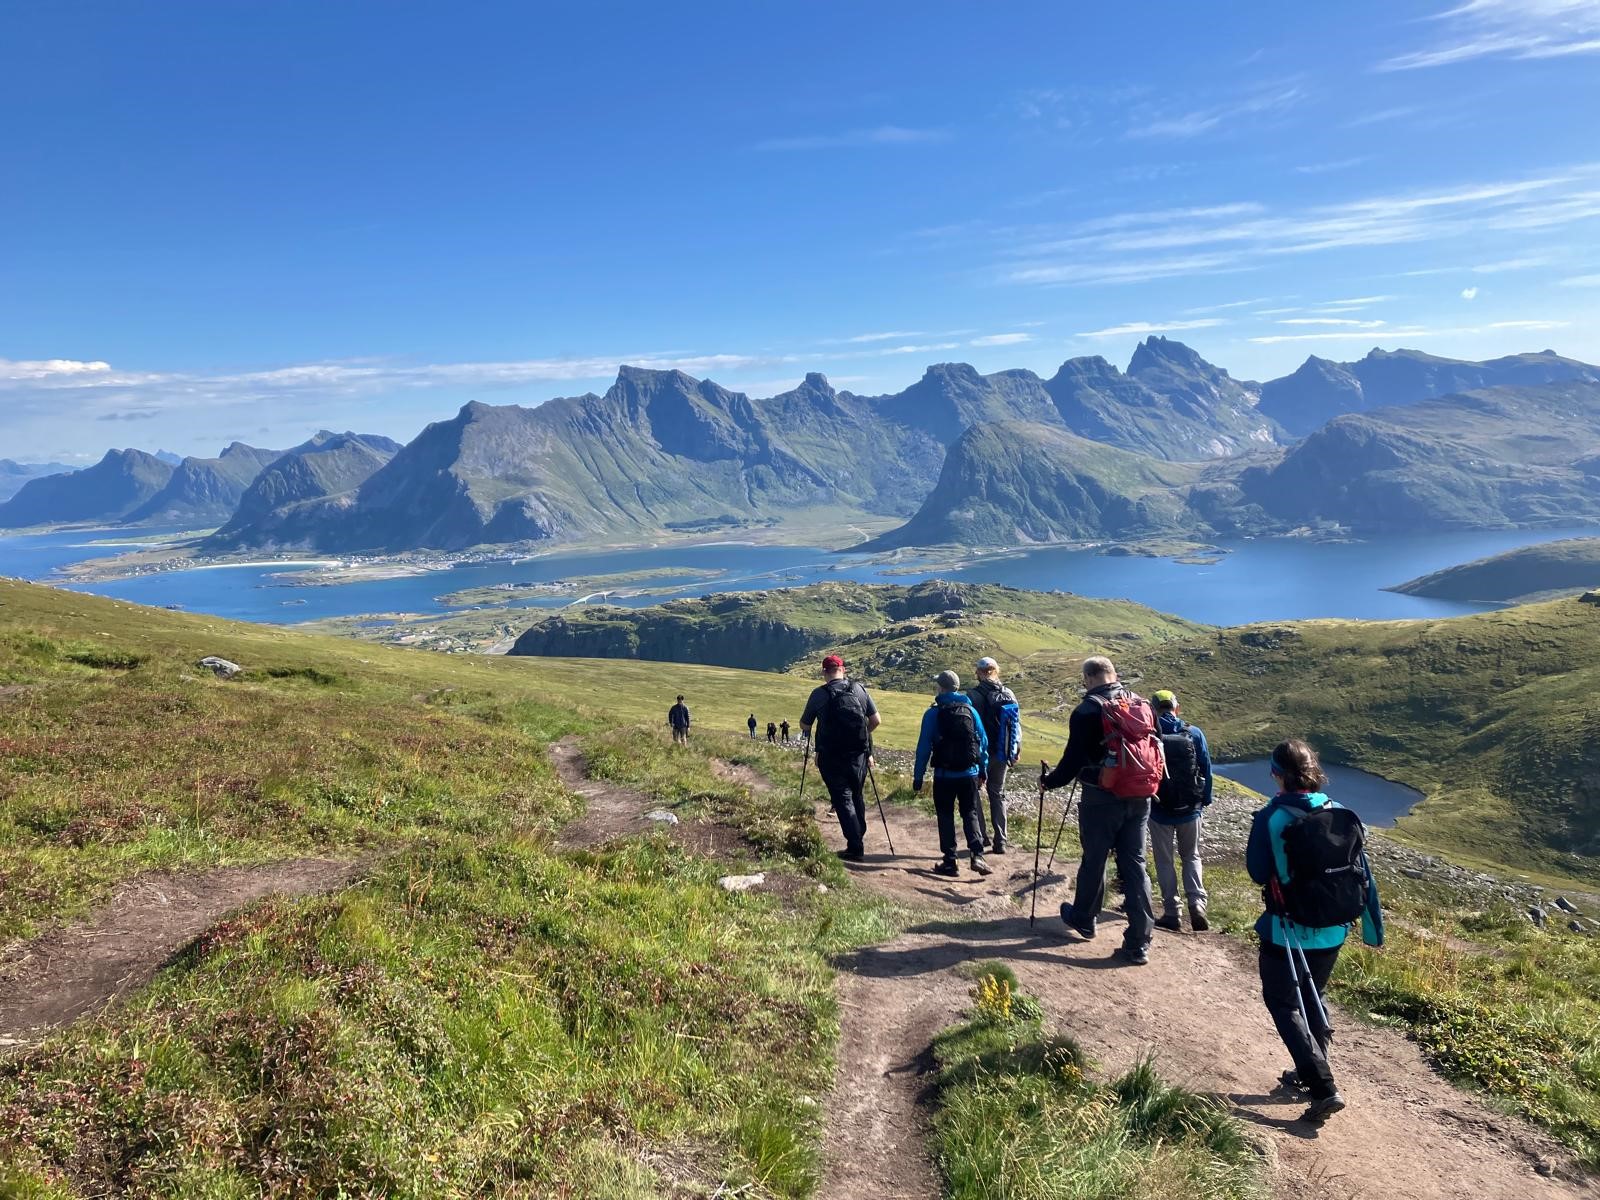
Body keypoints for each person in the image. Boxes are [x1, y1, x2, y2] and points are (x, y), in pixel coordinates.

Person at [1246, 739, 1383, 1126]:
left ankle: (1323, 1087)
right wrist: (1373, 927)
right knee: (1311, 996)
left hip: (1287, 928)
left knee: (1283, 1002)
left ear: (1277, 774)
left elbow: (1258, 872)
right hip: (1333, 929)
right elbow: (1363, 874)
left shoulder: (1271, 818)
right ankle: (1310, 1068)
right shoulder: (1340, 813)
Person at [1042, 656, 1158, 966]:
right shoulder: (1139, 704)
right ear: (1113, 674)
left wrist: (1049, 782)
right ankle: (1139, 941)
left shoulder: (1087, 711)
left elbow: (1072, 760)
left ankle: (1084, 917)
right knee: (1135, 863)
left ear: (1089, 678)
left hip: (1100, 796)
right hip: (1141, 795)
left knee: (1095, 858)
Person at [800, 654, 881, 862]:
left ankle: (855, 846)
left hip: (831, 756)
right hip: (858, 755)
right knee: (856, 794)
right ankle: (858, 834)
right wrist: (863, 736)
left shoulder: (819, 694)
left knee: (842, 798)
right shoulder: (859, 689)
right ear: (842, 669)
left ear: (824, 672)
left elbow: (805, 725)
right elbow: (876, 720)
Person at [913, 670, 991, 877]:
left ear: (941, 688)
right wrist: (982, 770)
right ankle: (977, 855)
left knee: (945, 815)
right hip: (969, 774)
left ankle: (950, 860)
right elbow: (982, 744)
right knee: (970, 813)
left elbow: (923, 748)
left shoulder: (933, 713)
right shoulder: (971, 711)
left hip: (944, 776)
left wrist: (918, 777)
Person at [1150, 690, 1212, 932]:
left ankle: (1171, 912)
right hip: (1190, 809)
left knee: (1164, 860)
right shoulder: (1194, 733)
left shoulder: (1151, 734)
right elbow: (1206, 768)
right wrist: (1203, 801)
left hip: (1159, 809)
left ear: (1154, 710)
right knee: (1192, 856)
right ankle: (1197, 905)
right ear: (1177, 708)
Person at [968, 656, 1021, 854]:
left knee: (974, 792)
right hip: (1002, 751)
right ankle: (1002, 840)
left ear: (979, 673)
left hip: (981, 752)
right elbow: (1016, 724)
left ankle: (981, 837)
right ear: (996, 671)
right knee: (997, 793)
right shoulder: (1008, 693)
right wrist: (1015, 749)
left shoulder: (973, 695)